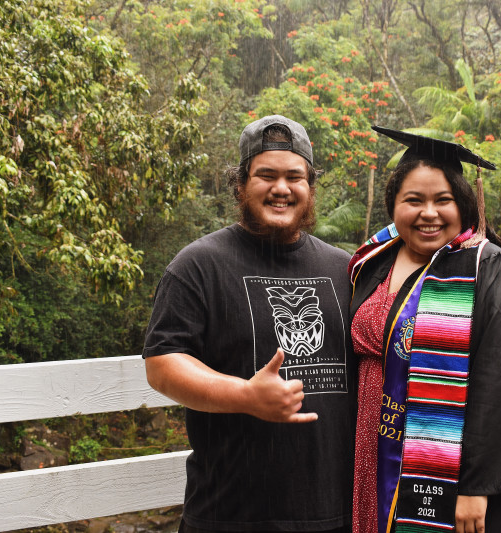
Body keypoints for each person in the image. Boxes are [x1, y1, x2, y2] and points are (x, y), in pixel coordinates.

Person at [348, 126, 501, 533]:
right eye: (413, 200)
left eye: (442, 200)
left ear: (465, 205)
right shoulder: (373, 261)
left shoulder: (491, 269)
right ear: (392, 205)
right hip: (375, 454)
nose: (428, 213)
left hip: (450, 471)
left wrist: (477, 485)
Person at [143, 115, 356, 532]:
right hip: (230, 515)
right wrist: (245, 395)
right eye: (266, 175)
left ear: (310, 188)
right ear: (240, 184)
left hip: (335, 515)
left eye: (295, 176)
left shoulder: (345, 269)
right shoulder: (198, 266)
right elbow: (162, 364)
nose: (281, 188)